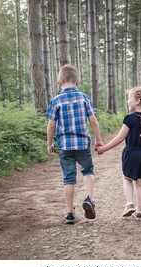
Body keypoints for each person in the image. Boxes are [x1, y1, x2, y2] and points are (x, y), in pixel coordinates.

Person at [46, 64, 103, 224]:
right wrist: (98, 140)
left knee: (69, 178)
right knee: (88, 171)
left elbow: (51, 125)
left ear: (59, 82)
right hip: (83, 143)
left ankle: (70, 213)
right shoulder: (84, 98)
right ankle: (89, 199)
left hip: (65, 145)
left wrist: (49, 143)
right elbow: (93, 120)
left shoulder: (56, 101)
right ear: (77, 81)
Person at [96, 86, 141, 221]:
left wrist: (103, 149)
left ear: (138, 101)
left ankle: (130, 204)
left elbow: (119, 138)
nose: (127, 101)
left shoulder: (129, 118)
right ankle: (139, 211)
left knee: (127, 178)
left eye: (129, 98)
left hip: (132, 153)